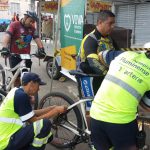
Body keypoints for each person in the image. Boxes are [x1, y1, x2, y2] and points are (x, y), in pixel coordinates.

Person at [90, 49, 150, 150]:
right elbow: (148, 106)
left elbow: (101, 54)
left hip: (96, 114)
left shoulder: (125, 54)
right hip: (121, 122)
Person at [0, 72, 67, 150]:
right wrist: (55, 111)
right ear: (31, 84)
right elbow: (34, 120)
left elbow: (31, 113)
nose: (39, 89)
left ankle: (50, 139)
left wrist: (51, 108)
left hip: (6, 136)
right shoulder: (21, 96)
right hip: (6, 141)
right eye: (38, 85)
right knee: (44, 124)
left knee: (43, 130)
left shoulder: (16, 91)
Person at [1, 11, 46, 87]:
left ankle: (26, 95)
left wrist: (41, 49)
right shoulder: (14, 25)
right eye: (31, 21)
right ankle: (15, 94)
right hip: (14, 55)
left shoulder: (32, 28)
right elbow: (7, 35)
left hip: (26, 56)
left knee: (27, 78)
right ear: (25, 17)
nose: (32, 23)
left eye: (33, 22)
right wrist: (4, 48)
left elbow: (37, 38)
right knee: (17, 79)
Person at [79, 10, 119, 75]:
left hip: (106, 78)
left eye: (113, 23)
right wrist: (109, 75)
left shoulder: (110, 39)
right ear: (100, 22)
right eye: (110, 23)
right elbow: (93, 62)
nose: (113, 26)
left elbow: (119, 56)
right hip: (92, 79)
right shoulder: (91, 39)